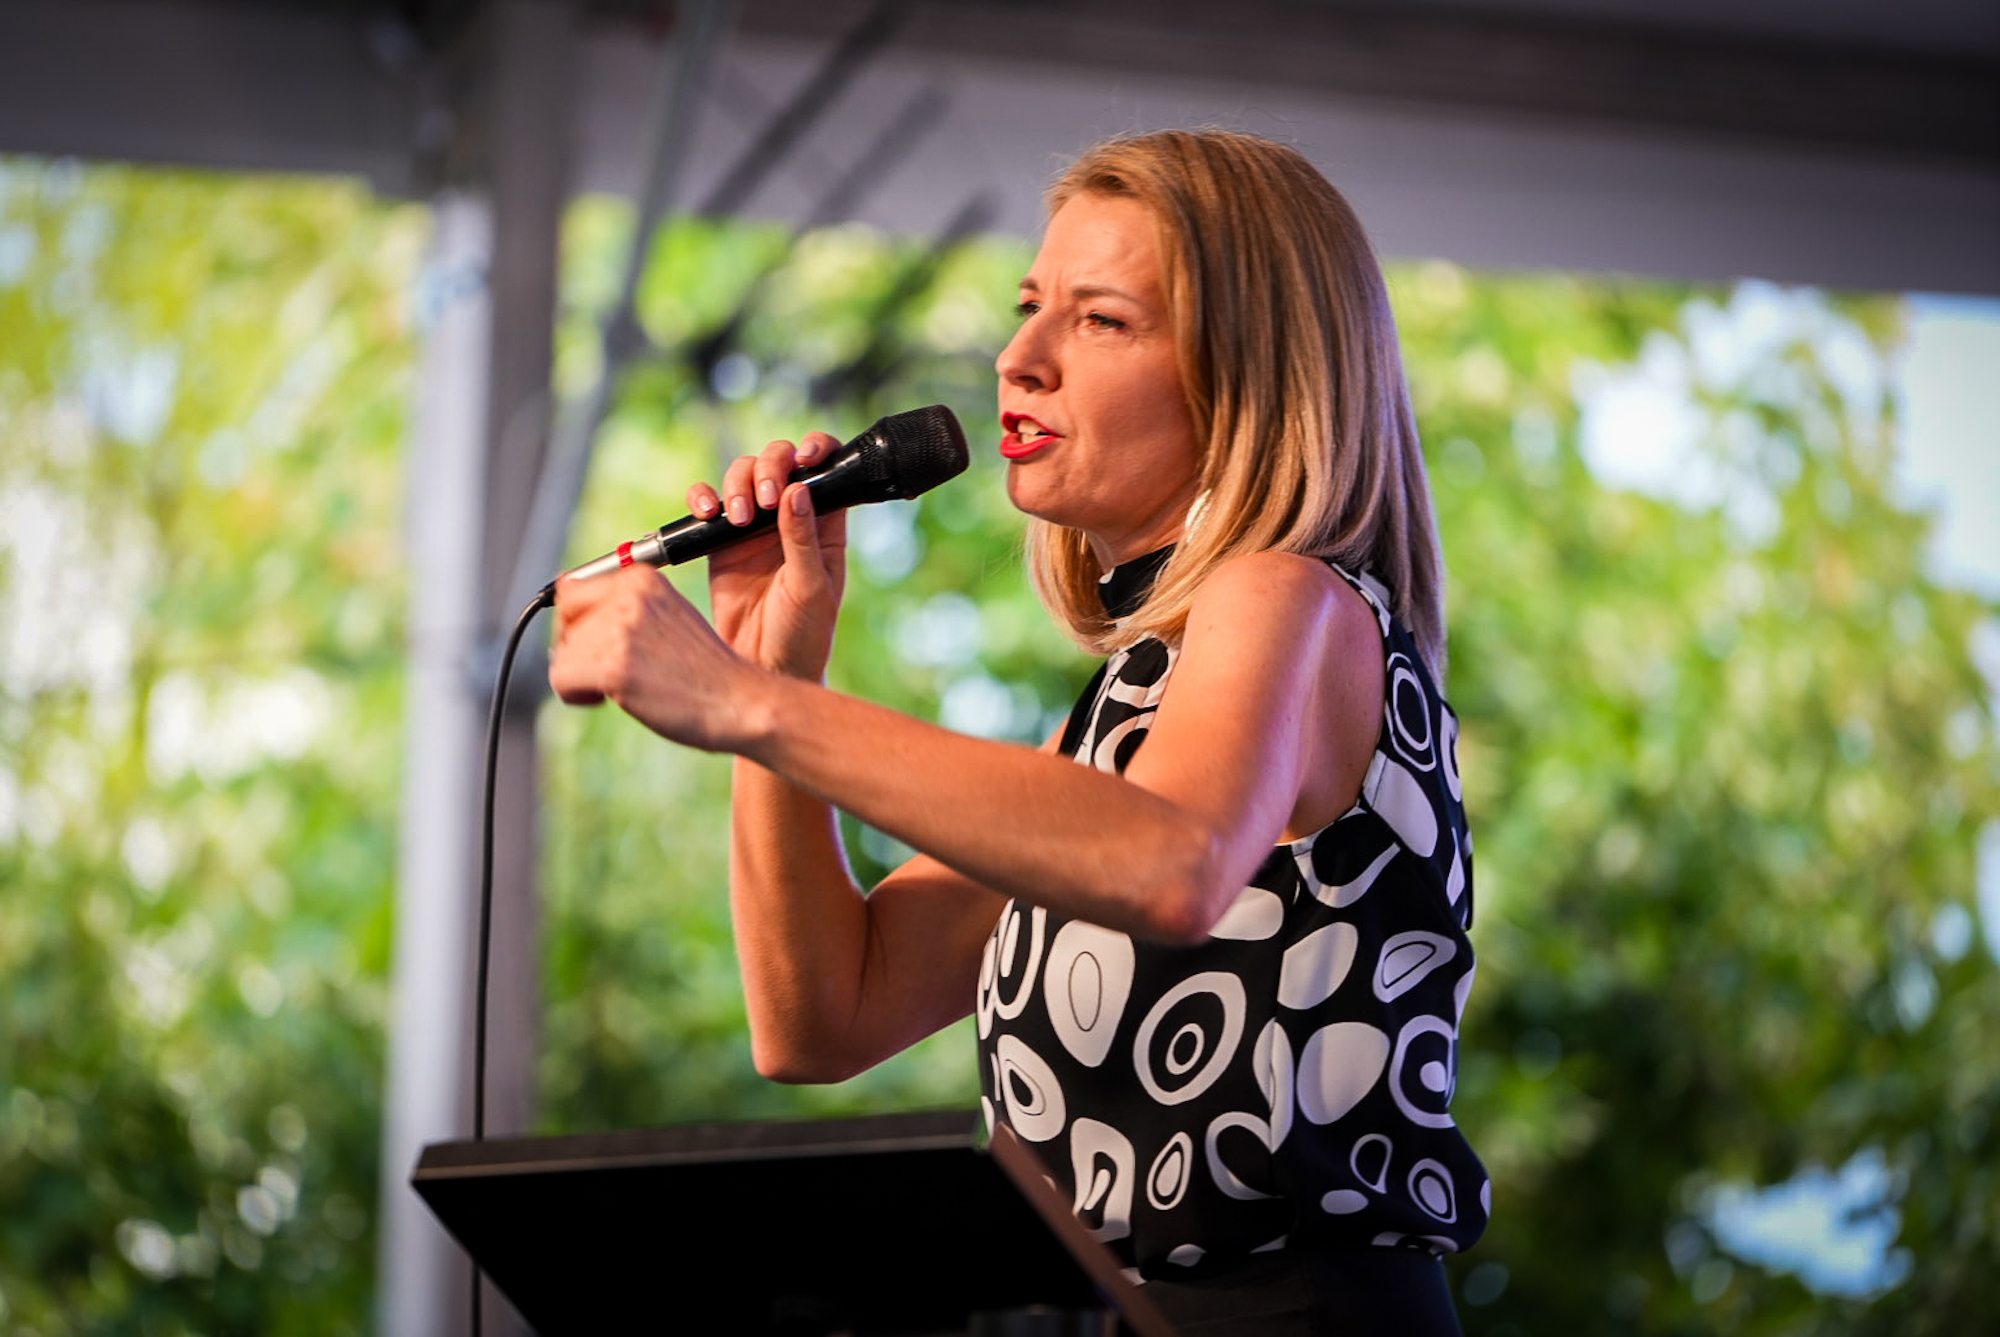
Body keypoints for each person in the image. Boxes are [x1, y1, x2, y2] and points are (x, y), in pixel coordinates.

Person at [549, 129, 1485, 1335]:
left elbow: (1174, 860)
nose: (1016, 358)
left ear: (1246, 377)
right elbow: (823, 1014)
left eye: (1100, 320)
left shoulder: (1286, 594)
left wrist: (743, 701)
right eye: (1028, 306)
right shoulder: (1116, 725)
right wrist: (775, 671)